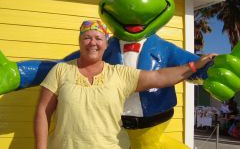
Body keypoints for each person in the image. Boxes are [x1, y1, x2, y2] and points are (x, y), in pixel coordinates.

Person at [34, 20, 216, 149]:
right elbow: (43, 112)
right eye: (87, 38)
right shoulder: (60, 70)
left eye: (98, 38)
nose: (93, 43)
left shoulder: (119, 74)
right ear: (80, 42)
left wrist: (194, 65)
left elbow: (160, 76)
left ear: (106, 44)